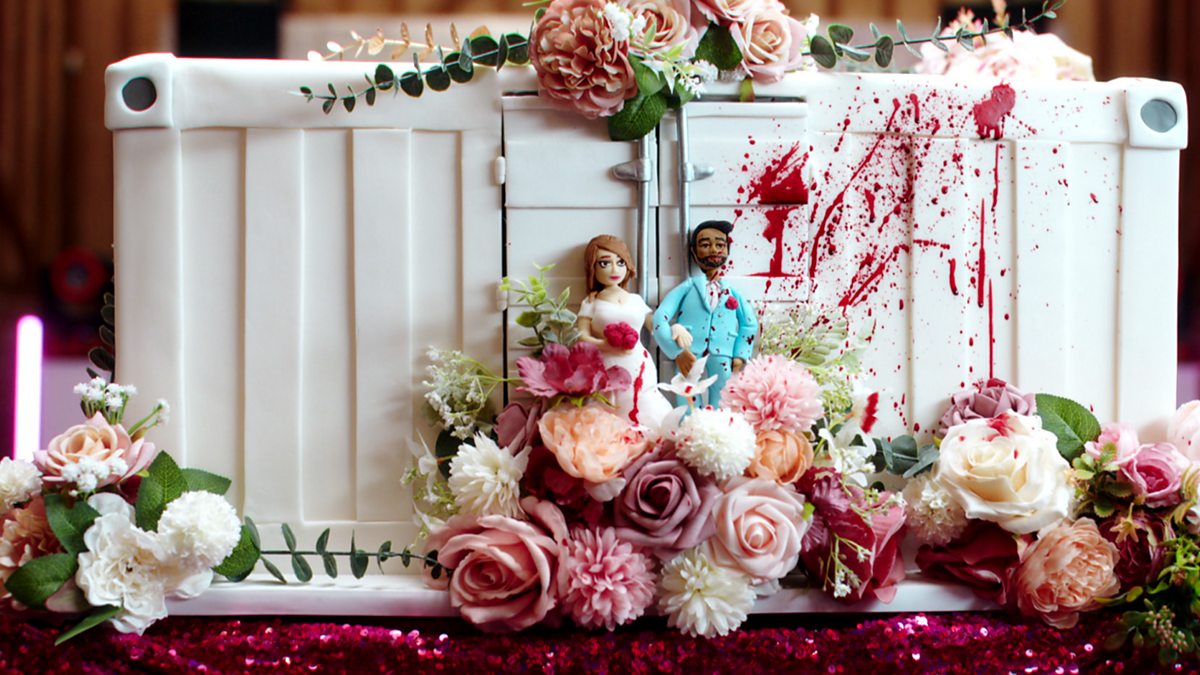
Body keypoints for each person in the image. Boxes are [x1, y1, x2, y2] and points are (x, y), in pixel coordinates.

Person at [653, 220, 757, 407]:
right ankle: (689, 421)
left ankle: (719, 422)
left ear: (727, 250)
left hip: (723, 352)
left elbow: (749, 324)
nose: (714, 249)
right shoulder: (688, 287)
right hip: (689, 351)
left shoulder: (732, 293)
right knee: (687, 392)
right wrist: (677, 352)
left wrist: (740, 354)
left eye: (720, 245)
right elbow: (660, 318)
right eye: (705, 245)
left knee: (723, 392)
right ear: (694, 251)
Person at [576, 235, 673, 428]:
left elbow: (655, 326)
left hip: (639, 363)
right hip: (608, 365)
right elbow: (581, 336)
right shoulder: (591, 302)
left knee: (643, 404)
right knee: (611, 406)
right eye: (605, 263)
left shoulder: (636, 300)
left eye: (620, 263)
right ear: (593, 268)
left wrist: (674, 329)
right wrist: (603, 345)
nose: (615, 269)